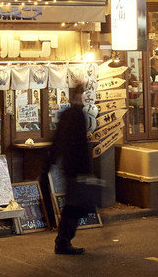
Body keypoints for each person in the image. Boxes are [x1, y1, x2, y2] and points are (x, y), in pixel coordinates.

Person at [47, 82, 92, 255]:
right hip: (75, 168)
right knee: (74, 207)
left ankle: (63, 241)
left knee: (73, 206)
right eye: (80, 94)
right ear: (76, 96)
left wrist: (50, 162)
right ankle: (63, 242)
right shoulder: (75, 115)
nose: (82, 98)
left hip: (72, 167)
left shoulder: (71, 114)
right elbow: (68, 142)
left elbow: (58, 140)